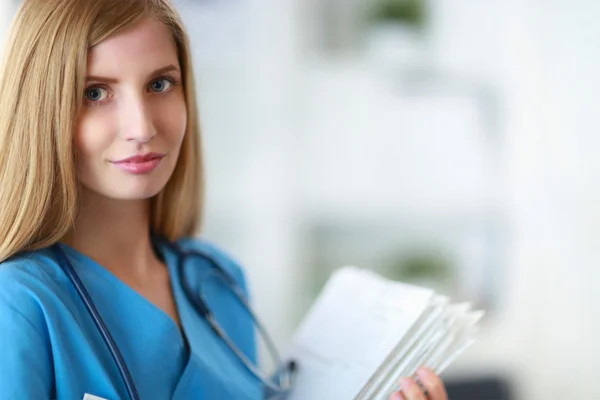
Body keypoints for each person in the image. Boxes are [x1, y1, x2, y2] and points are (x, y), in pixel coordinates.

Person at [0, 0, 448, 399]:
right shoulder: (19, 303)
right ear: (42, 109)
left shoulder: (215, 279)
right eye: (95, 93)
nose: (141, 127)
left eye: (160, 85)